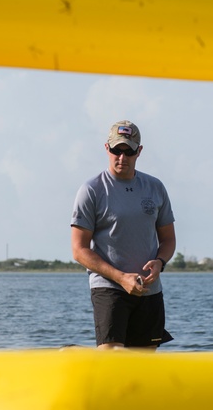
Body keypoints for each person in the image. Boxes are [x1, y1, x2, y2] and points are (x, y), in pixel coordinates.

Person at [70, 120, 176, 349]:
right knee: (112, 358)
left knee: (143, 368)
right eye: (117, 150)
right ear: (107, 149)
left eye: (129, 151)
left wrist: (160, 262)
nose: (122, 157)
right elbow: (79, 250)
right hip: (109, 288)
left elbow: (168, 239)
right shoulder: (92, 190)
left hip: (149, 290)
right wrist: (121, 278)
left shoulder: (155, 187)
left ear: (139, 151)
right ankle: (75, 359)